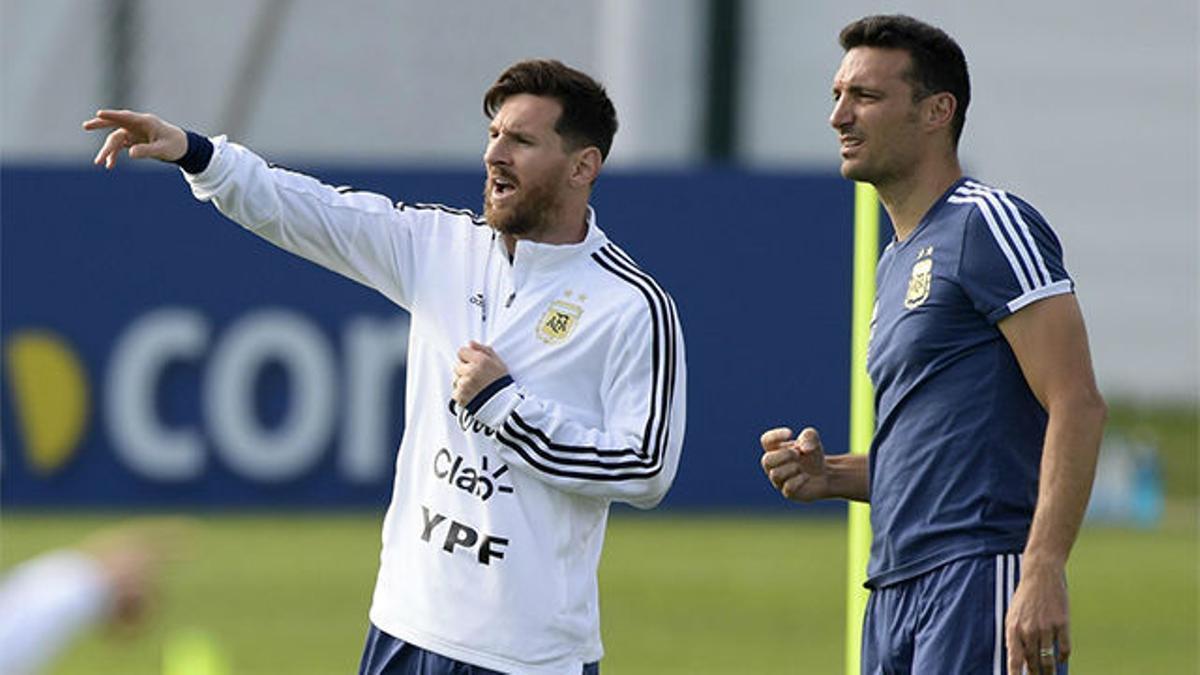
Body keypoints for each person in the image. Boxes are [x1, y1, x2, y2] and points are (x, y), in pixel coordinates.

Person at [83, 59, 686, 674]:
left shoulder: (631, 306)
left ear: (583, 166)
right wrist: (198, 154)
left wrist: (505, 408)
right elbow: (308, 211)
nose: (495, 155)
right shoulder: (440, 247)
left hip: (526, 655)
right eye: (493, 135)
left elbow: (646, 468)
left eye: (522, 141)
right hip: (404, 628)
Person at [758, 15, 1106, 675]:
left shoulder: (988, 222)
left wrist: (1042, 568)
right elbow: (950, 450)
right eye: (837, 95)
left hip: (979, 575)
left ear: (936, 111)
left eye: (864, 96)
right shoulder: (895, 263)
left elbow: (1078, 402)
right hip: (895, 587)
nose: (839, 115)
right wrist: (833, 475)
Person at [0, 520, 189, 674]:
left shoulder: (83, 589)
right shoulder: (84, 584)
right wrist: (163, 539)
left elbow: (118, 551)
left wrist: (163, 536)